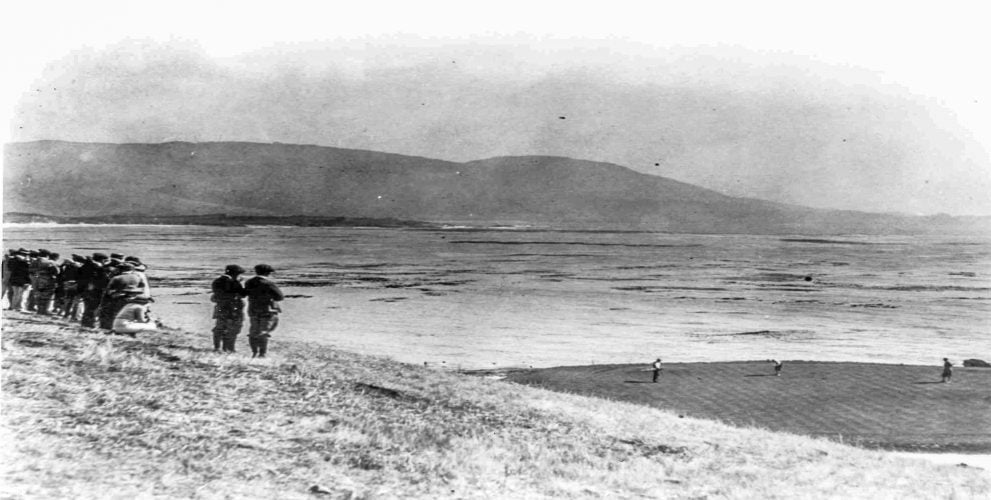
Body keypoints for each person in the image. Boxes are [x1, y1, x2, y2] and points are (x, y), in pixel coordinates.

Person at [244, 264, 284, 358]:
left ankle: (254, 352)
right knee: (264, 332)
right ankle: (262, 354)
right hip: (267, 309)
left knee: (253, 331)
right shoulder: (268, 283)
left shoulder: (249, 282)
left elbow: (245, 293)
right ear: (268, 273)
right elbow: (279, 297)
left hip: (253, 309)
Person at [211, 264, 248, 353]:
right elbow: (243, 294)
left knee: (219, 327)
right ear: (235, 274)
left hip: (220, 307)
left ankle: (217, 347)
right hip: (233, 308)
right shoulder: (233, 282)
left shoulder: (216, 281)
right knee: (233, 328)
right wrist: (239, 283)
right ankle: (229, 348)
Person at [100, 262, 144, 330]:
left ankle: (113, 328)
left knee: (116, 314)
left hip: (118, 299)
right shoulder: (137, 277)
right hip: (132, 298)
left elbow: (108, 291)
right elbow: (142, 288)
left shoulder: (116, 278)